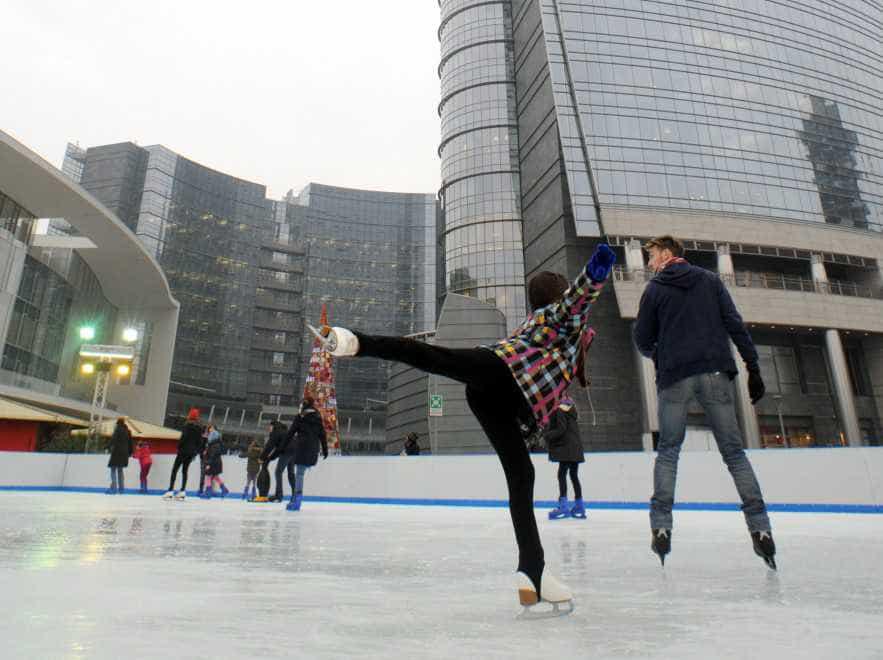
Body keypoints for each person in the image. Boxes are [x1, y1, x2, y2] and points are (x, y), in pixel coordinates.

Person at [309, 243, 615, 612]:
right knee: (434, 357)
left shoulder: (543, 322)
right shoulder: (562, 316)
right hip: (503, 375)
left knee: (522, 474)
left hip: (493, 395)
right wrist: (596, 271)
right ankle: (353, 341)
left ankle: (532, 571)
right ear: (558, 295)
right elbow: (579, 297)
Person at [633, 235, 776, 569]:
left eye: (652, 256)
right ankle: (761, 528)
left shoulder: (654, 290)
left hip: (675, 377)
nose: (650, 263)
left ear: (666, 253)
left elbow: (642, 338)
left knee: (668, 451)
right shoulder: (710, 281)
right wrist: (753, 368)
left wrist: (661, 354)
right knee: (734, 454)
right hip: (714, 371)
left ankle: (662, 526)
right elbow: (735, 324)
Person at [281, 395, 328, 511]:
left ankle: (297, 500)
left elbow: (291, 432)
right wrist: (325, 449)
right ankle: (296, 499)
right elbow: (322, 434)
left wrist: (282, 446)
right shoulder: (317, 416)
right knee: (301, 473)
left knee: (299, 474)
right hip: (313, 449)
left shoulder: (300, 416)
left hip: (302, 447)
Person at [544, 397, 586, 520]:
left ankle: (563, 506)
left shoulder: (561, 411)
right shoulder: (573, 414)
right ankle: (579, 506)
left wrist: (547, 435)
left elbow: (561, 429)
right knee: (574, 475)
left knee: (561, 474)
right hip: (576, 449)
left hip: (567, 449)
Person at [163, 408, 203, 500]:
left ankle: (170, 490)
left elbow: (183, 438)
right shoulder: (199, 428)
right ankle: (182, 491)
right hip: (191, 453)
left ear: (190, 416)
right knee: (185, 471)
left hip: (183, 451)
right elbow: (200, 442)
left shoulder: (187, 426)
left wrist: (179, 446)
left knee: (175, 470)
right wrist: (195, 452)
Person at [261, 420, 288, 502]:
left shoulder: (276, 432)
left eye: (270, 426)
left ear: (273, 426)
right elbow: (278, 449)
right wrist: (270, 458)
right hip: (293, 451)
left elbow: (269, 446)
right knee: (291, 474)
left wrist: (262, 458)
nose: (269, 428)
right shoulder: (283, 431)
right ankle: (293, 495)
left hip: (287, 452)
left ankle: (279, 496)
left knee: (278, 472)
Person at [107, 417, 133, 494]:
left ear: (118, 423)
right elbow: (130, 443)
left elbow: (113, 439)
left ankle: (114, 489)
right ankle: (121, 489)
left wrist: (107, 446)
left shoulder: (117, 429)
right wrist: (130, 452)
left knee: (113, 469)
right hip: (124, 454)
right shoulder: (128, 431)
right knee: (120, 470)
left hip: (117, 452)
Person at [201, 426, 229, 499]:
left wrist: (208, 464)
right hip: (216, 462)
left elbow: (212, 455)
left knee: (208, 476)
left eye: (210, 435)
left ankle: (208, 492)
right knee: (215, 476)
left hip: (213, 462)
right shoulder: (215, 443)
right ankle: (224, 489)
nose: (209, 437)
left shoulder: (214, 445)